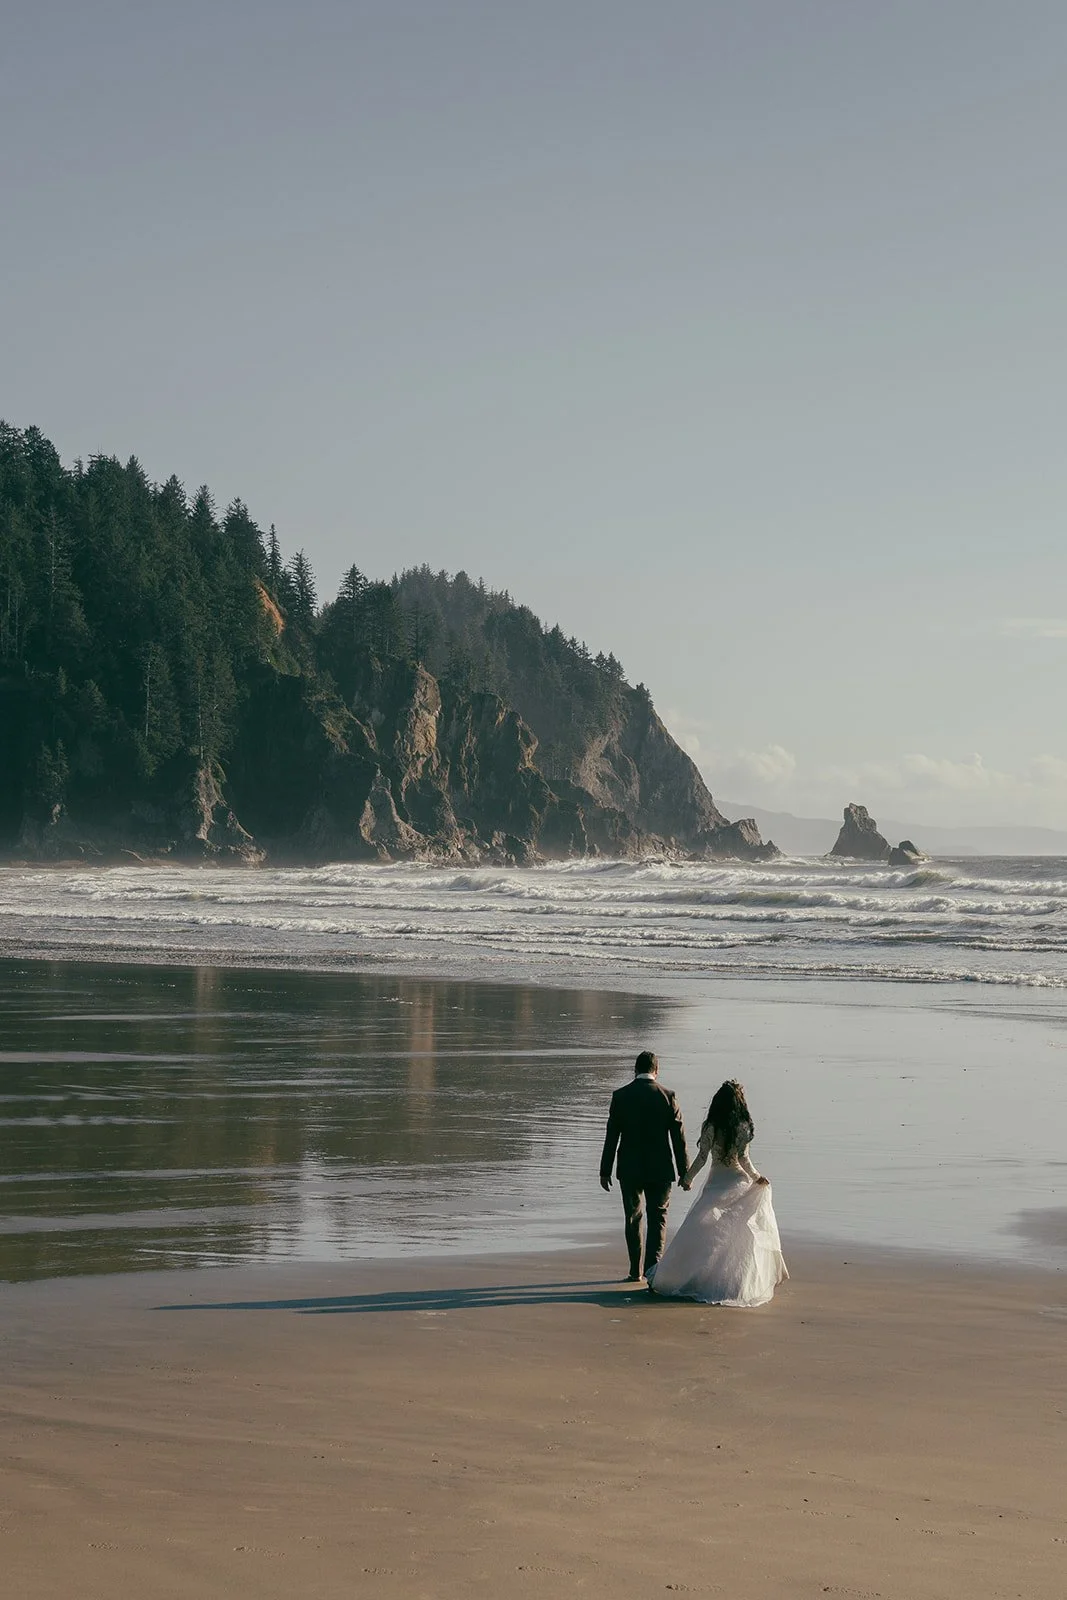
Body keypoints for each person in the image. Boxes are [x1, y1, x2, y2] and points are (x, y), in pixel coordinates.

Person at [646, 1079, 787, 1307]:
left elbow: (702, 1158)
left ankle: (690, 1276)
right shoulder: (742, 1126)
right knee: (735, 1235)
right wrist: (756, 1177)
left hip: (716, 1181)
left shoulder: (711, 1126)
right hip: (738, 1180)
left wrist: (687, 1178)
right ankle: (729, 1281)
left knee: (700, 1227)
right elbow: (743, 1159)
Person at [600, 1051, 689, 1283]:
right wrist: (684, 1171)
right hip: (660, 1169)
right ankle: (652, 1271)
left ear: (635, 1070)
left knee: (633, 1217)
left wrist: (604, 1170)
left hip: (629, 1168)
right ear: (656, 1071)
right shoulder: (668, 1096)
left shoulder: (620, 1096)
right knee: (658, 1217)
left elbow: (612, 1137)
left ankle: (634, 1271)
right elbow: (678, 1138)